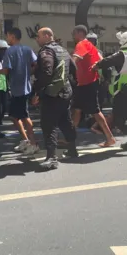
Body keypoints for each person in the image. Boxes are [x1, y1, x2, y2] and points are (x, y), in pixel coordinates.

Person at [92, 31, 127, 155]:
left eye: (122, 39)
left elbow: (106, 61)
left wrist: (96, 65)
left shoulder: (122, 54)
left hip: (121, 90)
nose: (120, 41)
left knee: (118, 119)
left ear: (126, 40)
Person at [32, 27, 78, 170]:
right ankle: (72, 149)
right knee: (65, 121)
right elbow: (74, 68)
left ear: (47, 36)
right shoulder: (62, 50)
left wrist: (37, 91)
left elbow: (46, 72)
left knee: (49, 124)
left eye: (38, 36)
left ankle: (51, 157)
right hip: (66, 91)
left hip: (52, 94)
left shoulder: (46, 51)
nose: (37, 39)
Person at [71, 25, 115, 147]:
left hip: (87, 84)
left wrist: (65, 70)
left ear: (80, 33)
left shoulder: (82, 44)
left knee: (95, 111)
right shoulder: (92, 47)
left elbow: (75, 59)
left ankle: (110, 137)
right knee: (77, 110)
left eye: (74, 33)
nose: (73, 36)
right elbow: (101, 61)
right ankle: (70, 139)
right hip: (86, 83)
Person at [0, 27, 39, 155]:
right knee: (13, 116)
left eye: (7, 36)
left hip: (18, 89)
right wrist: (28, 73)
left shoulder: (9, 51)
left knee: (24, 116)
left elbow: (6, 70)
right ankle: (26, 140)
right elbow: (36, 64)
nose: (7, 39)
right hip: (24, 87)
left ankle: (33, 144)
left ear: (12, 36)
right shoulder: (27, 49)